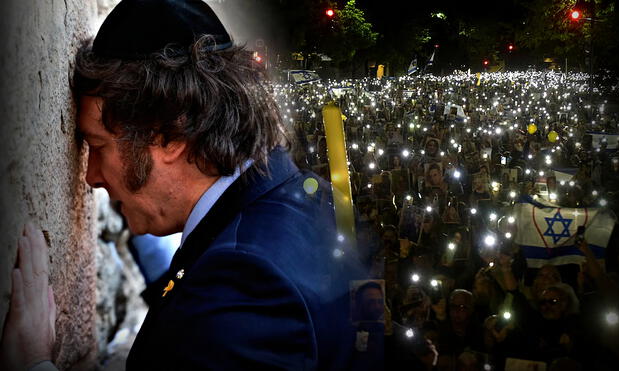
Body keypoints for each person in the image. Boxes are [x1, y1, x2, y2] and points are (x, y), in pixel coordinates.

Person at [1, 1, 363, 370]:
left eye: (97, 146)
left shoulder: (240, 291)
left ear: (170, 135)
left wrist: (31, 363)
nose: (91, 176)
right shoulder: (310, 200)